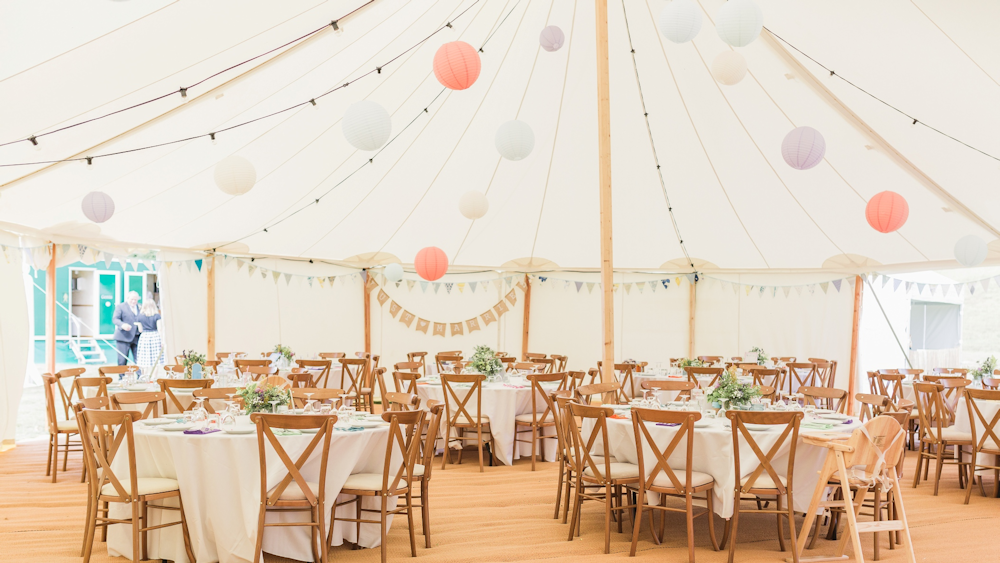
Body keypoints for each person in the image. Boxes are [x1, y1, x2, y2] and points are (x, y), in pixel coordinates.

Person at [112, 291, 141, 365]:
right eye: (132, 299)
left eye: (135, 299)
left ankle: (140, 375)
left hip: (137, 337)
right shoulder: (120, 307)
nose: (134, 301)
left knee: (139, 359)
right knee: (122, 360)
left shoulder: (140, 307)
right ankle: (122, 376)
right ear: (127, 298)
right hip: (123, 337)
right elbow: (115, 319)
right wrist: (122, 325)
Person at [136, 299, 164, 369]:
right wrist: (162, 340)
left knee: (144, 358)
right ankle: (154, 376)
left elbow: (140, 330)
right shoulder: (157, 316)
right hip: (155, 336)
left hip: (144, 336)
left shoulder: (140, 316)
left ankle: (145, 375)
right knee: (156, 359)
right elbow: (159, 329)